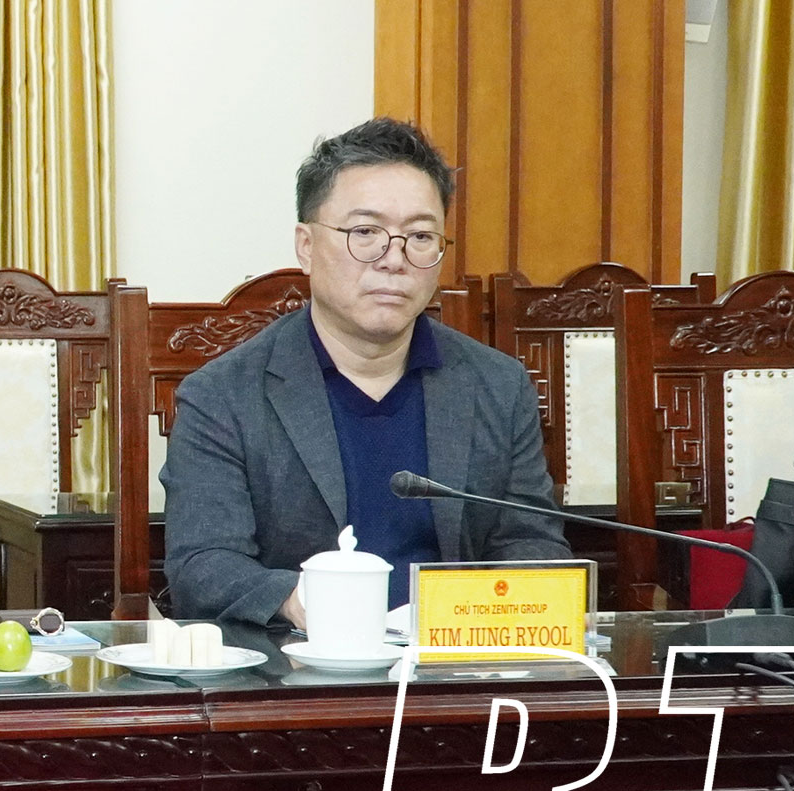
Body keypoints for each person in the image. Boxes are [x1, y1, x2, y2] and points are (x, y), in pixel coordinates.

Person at [161, 118, 569, 631]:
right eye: (366, 233)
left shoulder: (498, 385)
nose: (394, 259)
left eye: (420, 236)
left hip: (452, 660)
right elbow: (202, 563)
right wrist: (300, 602)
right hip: (298, 664)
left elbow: (530, 543)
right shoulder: (222, 396)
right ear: (306, 246)